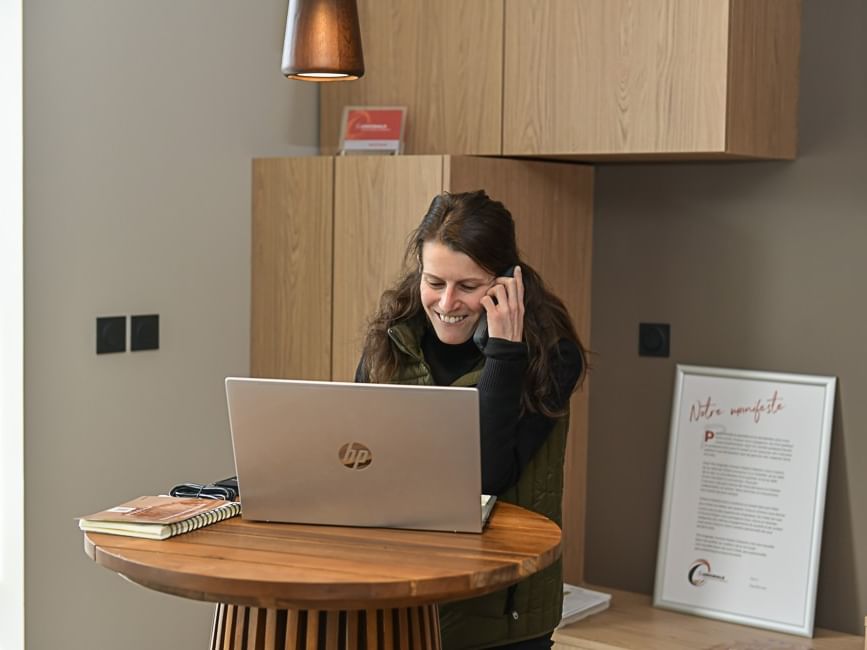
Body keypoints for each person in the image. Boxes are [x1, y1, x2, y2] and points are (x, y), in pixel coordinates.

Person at [355, 190, 586, 650]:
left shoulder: (551, 355)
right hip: (401, 599)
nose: (446, 303)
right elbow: (361, 457)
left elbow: (487, 476)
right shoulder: (391, 341)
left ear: (505, 282)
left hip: (499, 618)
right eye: (434, 282)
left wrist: (504, 352)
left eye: (468, 286)